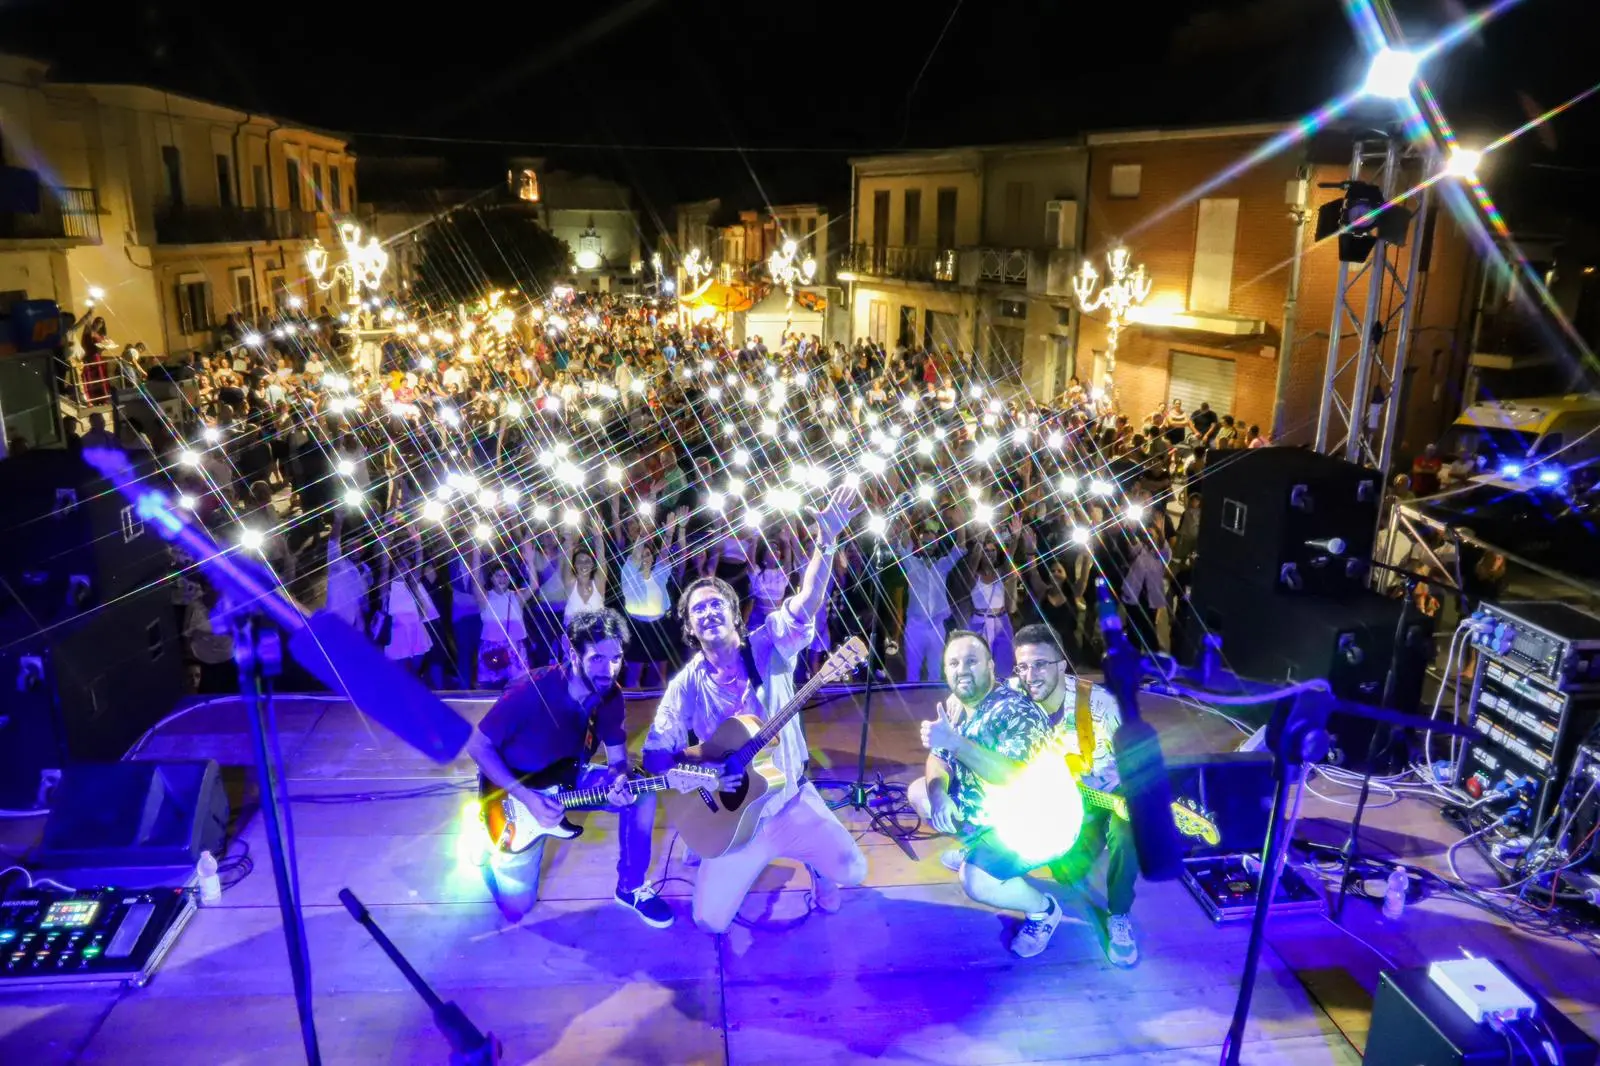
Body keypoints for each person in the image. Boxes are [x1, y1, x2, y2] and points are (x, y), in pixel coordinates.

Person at [644, 488, 868, 934]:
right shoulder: (686, 683)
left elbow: (806, 603)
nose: (708, 612)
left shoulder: (767, 643)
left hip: (789, 802)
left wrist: (826, 542)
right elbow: (655, 755)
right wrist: (705, 775)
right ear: (689, 626)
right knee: (708, 922)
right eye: (698, 609)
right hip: (734, 823)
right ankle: (739, 859)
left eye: (716, 604)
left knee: (854, 871)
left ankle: (815, 861)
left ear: (734, 612)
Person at [465, 610, 672, 927]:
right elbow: (478, 746)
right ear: (570, 649)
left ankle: (630, 887)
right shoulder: (530, 691)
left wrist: (618, 779)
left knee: (640, 795)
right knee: (517, 908)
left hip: (569, 779)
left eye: (616, 658)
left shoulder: (610, 695)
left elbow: (617, 760)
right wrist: (528, 798)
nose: (609, 669)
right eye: (597, 659)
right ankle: (488, 843)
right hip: (516, 796)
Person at [907, 629, 1067, 958]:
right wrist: (938, 792)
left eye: (971, 661)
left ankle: (1043, 910)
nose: (962, 669)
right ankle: (977, 846)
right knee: (920, 793)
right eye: (953, 662)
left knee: (976, 881)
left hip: (1040, 823)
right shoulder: (955, 705)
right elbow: (938, 758)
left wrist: (953, 742)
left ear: (991, 667)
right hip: (994, 813)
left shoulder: (1014, 711)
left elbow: (1014, 777)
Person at [1012, 623, 1138, 966]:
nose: (1030, 675)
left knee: (1128, 833)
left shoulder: (1100, 705)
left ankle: (1119, 915)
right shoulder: (1013, 697)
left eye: (1040, 664)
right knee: (1066, 875)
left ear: (1062, 664)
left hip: (1103, 799)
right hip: (1056, 806)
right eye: (1022, 666)